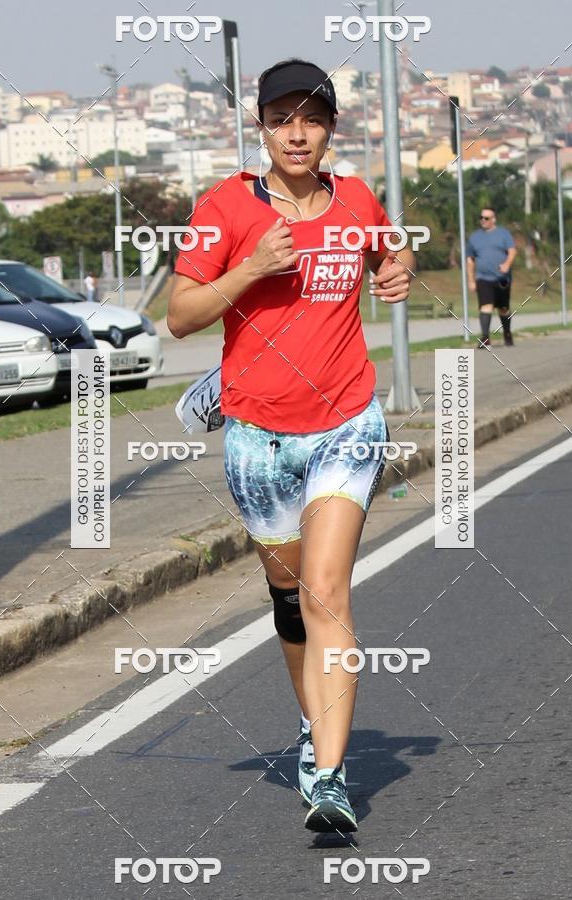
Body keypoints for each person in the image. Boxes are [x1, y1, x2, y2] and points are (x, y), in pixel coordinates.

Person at [168, 59, 414, 833]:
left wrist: (400, 267)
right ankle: (314, 724)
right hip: (258, 437)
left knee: (327, 591)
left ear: (330, 128)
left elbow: (390, 252)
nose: (296, 132)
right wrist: (252, 266)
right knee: (290, 601)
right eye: (281, 119)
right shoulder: (226, 206)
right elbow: (180, 316)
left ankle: (332, 776)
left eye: (311, 118)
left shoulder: (358, 198)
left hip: (346, 420)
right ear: (262, 128)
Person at [466, 208, 517, 348]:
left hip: (502, 278)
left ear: (494, 219)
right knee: (485, 306)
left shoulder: (503, 234)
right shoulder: (474, 237)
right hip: (483, 278)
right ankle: (485, 337)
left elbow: (512, 251)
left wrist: (507, 264)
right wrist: (470, 280)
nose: (483, 220)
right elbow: (470, 260)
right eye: (481, 217)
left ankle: (507, 333)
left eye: (486, 218)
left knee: (503, 308)